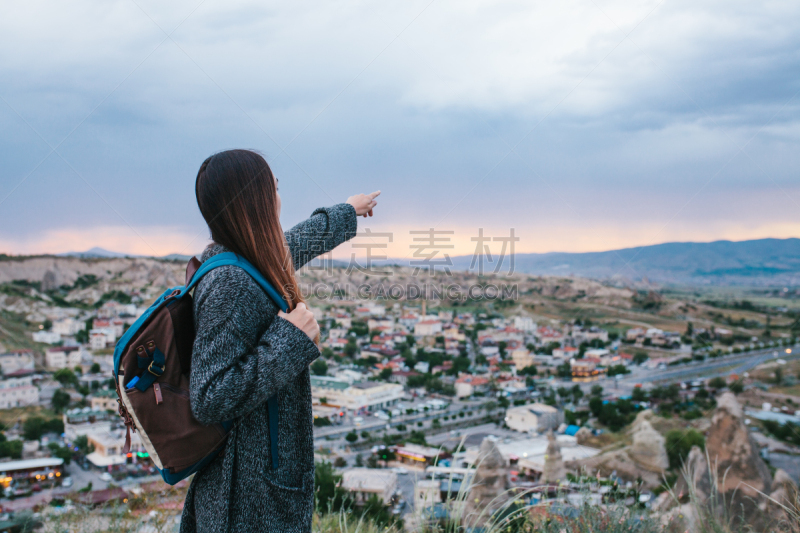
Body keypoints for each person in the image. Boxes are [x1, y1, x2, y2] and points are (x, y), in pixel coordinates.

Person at [180, 149, 379, 533]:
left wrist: (347, 211)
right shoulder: (230, 284)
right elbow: (209, 398)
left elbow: (294, 244)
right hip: (245, 500)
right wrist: (289, 341)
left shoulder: (244, 261)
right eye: (274, 187)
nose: (279, 195)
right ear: (255, 199)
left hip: (254, 485)